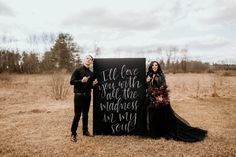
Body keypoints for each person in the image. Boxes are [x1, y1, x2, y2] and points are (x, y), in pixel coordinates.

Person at [142, 61, 207, 142]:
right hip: (150, 98)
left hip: (159, 98)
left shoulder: (160, 75)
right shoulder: (148, 75)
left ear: (158, 67)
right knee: (151, 116)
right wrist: (147, 81)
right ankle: (153, 133)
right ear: (150, 67)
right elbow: (146, 87)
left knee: (158, 116)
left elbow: (162, 86)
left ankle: (158, 133)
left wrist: (158, 95)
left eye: (156, 65)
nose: (154, 66)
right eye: (153, 65)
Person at [70, 54, 98, 142]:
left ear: (92, 62)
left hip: (87, 96)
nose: (89, 60)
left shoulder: (91, 73)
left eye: (90, 59)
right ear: (84, 60)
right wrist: (81, 81)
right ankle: (73, 134)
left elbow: (90, 86)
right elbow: (71, 82)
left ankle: (85, 131)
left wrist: (93, 85)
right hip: (78, 95)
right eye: (87, 58)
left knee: (85, 114)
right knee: (77, 115)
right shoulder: (77, 70)